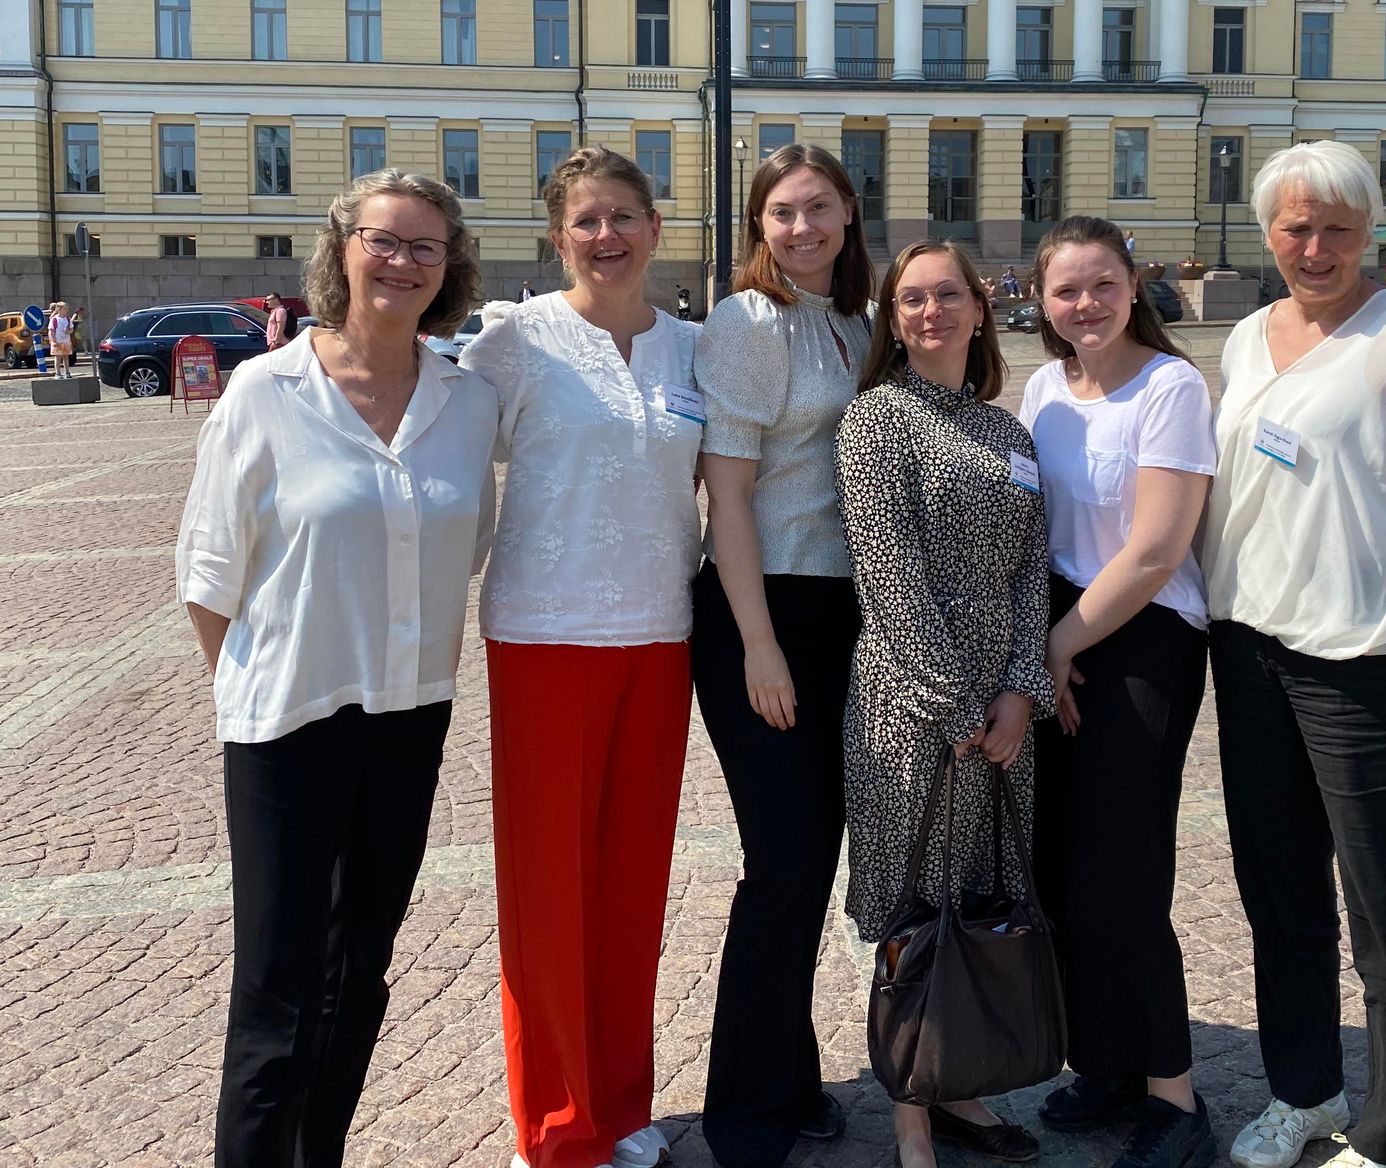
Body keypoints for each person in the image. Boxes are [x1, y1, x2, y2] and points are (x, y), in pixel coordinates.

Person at [175, 169, 496, 1168]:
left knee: (359, 975)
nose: (401, 261)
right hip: (287, 722)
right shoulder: (266, 392)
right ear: (342, 248)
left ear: (449, 269)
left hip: (407, 720)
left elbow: (467, 545)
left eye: (424, 247)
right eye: (382, 240)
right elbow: (208, 573)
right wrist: (258, 687)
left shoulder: (467, 400)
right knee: (275, 985)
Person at [1201, 141, 1386, 1168]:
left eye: (1335, 229)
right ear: (1267, 229)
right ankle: (1304, 1093)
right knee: (1278, 894)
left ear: (1367, 233)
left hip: (1357, 665)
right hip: (1245, 653)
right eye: (1294, 227)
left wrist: (1356, 604)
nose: (1313, 248)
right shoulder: (1241, 338)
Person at [458, 147, 704, 1168]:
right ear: (557, 237)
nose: (606, 237)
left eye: (623, 217)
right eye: (585, 221)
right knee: (549, 891)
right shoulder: (512, 343)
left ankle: (618, 1100)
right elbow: (454, 483)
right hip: (543, 636)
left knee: (630, 888)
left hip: (659, 638)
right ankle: (555, 1125)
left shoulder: (694, 349)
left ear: (654, 227)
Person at [835, 241, 1055, 1168]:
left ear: (979, 307)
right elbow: (889, 575)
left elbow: (1031, 571)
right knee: (909, 898)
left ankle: (958, 1082)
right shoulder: (876, 421)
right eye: (911, 299)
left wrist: (1021, 693)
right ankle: (911, 1111)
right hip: (910, 702)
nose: (931, 312)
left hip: (1001, 708)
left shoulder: (1010, 434)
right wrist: (959, 703)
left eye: (948, 295)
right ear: (893, 318)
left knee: (980, 894)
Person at [1019, 217, 1219, 1168]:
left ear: (1132, 288)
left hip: (1141, 640)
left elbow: (1153, 550)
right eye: (1067, 291)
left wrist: (1057, 647)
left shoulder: (1170, 387)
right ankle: (1103, 1063)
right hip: (1060, 628)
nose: (1086, 305)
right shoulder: (1042, 389)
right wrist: (1041, 647)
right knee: (1061, 866)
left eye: (1102, 285)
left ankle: (1175, 1096)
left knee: (1123, 873)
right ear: (1041, 302)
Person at [691, 144, 875, 1168]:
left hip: (845, 614)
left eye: (815, 209)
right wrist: (758, 644)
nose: (798, 228)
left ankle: (789, 1077)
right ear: (757, 226)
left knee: (812, 867)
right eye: (778, 213)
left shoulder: (854, 321)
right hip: (760, 614)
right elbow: (728, 493)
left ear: (848, 213)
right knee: (783, 865)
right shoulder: (748, 323)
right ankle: (745, 1112)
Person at [48, 301, 75, 378]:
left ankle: (67, 372)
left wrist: (68, 331)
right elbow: (51, 330)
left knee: (66, 356)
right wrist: (54, 341)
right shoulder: (54, 319)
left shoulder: (68, 319)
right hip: (57, 341)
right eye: (65, 309)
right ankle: (58, 373)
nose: (66, 310)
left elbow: (71, 329)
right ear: (59, 309)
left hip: (66, 340)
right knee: (58, 357)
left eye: (67, 309)